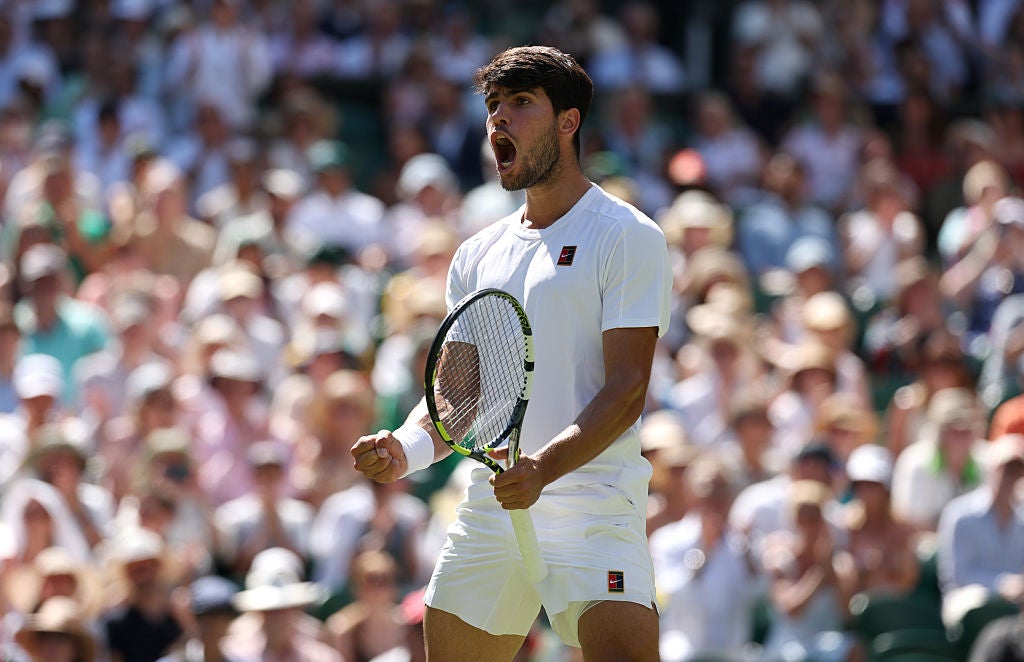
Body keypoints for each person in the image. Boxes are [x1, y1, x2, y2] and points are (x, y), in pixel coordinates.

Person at [351, 46, 671, 662]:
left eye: (521, 103)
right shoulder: (475, 254)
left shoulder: (628, 235)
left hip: (595, 503)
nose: (499, 119)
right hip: (495, 503)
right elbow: (459, 398)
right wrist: (405, 446)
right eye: (494, 106)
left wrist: (544, 469)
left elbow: (629, 387)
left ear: (567, 122)